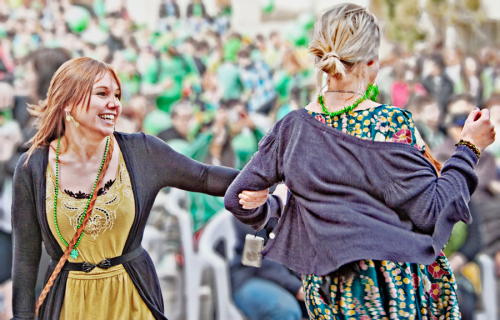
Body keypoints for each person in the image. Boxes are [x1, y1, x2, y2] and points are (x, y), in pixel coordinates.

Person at [224, 4, 496, 319]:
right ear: (371, 63)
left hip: (328, 293)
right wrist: (469, 147)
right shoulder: (394, 125)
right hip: (392, 291)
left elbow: (237, 199)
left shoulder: (291, 128)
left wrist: (270, 206)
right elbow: (432, 213)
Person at [11, 57, 269, 320]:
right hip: (69, 304)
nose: (115, 103)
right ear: (68, 101)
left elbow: (203, 176)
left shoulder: (141, 151)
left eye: (117, 95)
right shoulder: (33, 167)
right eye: (102, 94)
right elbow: (24, 259)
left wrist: (266, 180)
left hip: (131, 297)